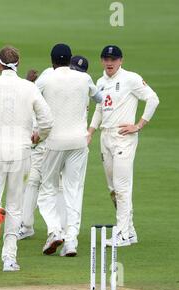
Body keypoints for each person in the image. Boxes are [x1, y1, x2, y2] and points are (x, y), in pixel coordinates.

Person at [0, 46, 53, 271]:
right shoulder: (29, 87)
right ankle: (9, 259)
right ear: (18, 63)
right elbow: (47, 120)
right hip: (22, 151)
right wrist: (38, 136)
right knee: (15, 207)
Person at [18, 55, 97, 240]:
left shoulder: (76, 85)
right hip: (44, 141)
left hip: (54, 142)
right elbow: (31, 100)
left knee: (59, 187)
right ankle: (28, 226)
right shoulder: (53, 77)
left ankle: (59, 230)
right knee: (34, 182)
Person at [88, 45, 159, 247]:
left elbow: (153, 99)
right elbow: (99, 109)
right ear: (102, 61)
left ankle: (122, 234)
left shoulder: (131, 79)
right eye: (106, 59)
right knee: (113, 189)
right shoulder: (100, 82)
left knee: (122, 187)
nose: (109, 62)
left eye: (114, 59)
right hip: (105, 138)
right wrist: (90, 132)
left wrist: (138, 125)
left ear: (121, 60)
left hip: (123, 138)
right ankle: (130, 230)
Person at [37, 44, 100, 257]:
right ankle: (71, 241)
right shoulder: (84, 78)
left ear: (52, 61)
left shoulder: (46, 78)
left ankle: (55, 231)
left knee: (47, 189)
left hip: (54, 142)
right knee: (74, 191)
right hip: (79, 142)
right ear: (70, 59)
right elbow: (99, 98)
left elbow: (32, 97)